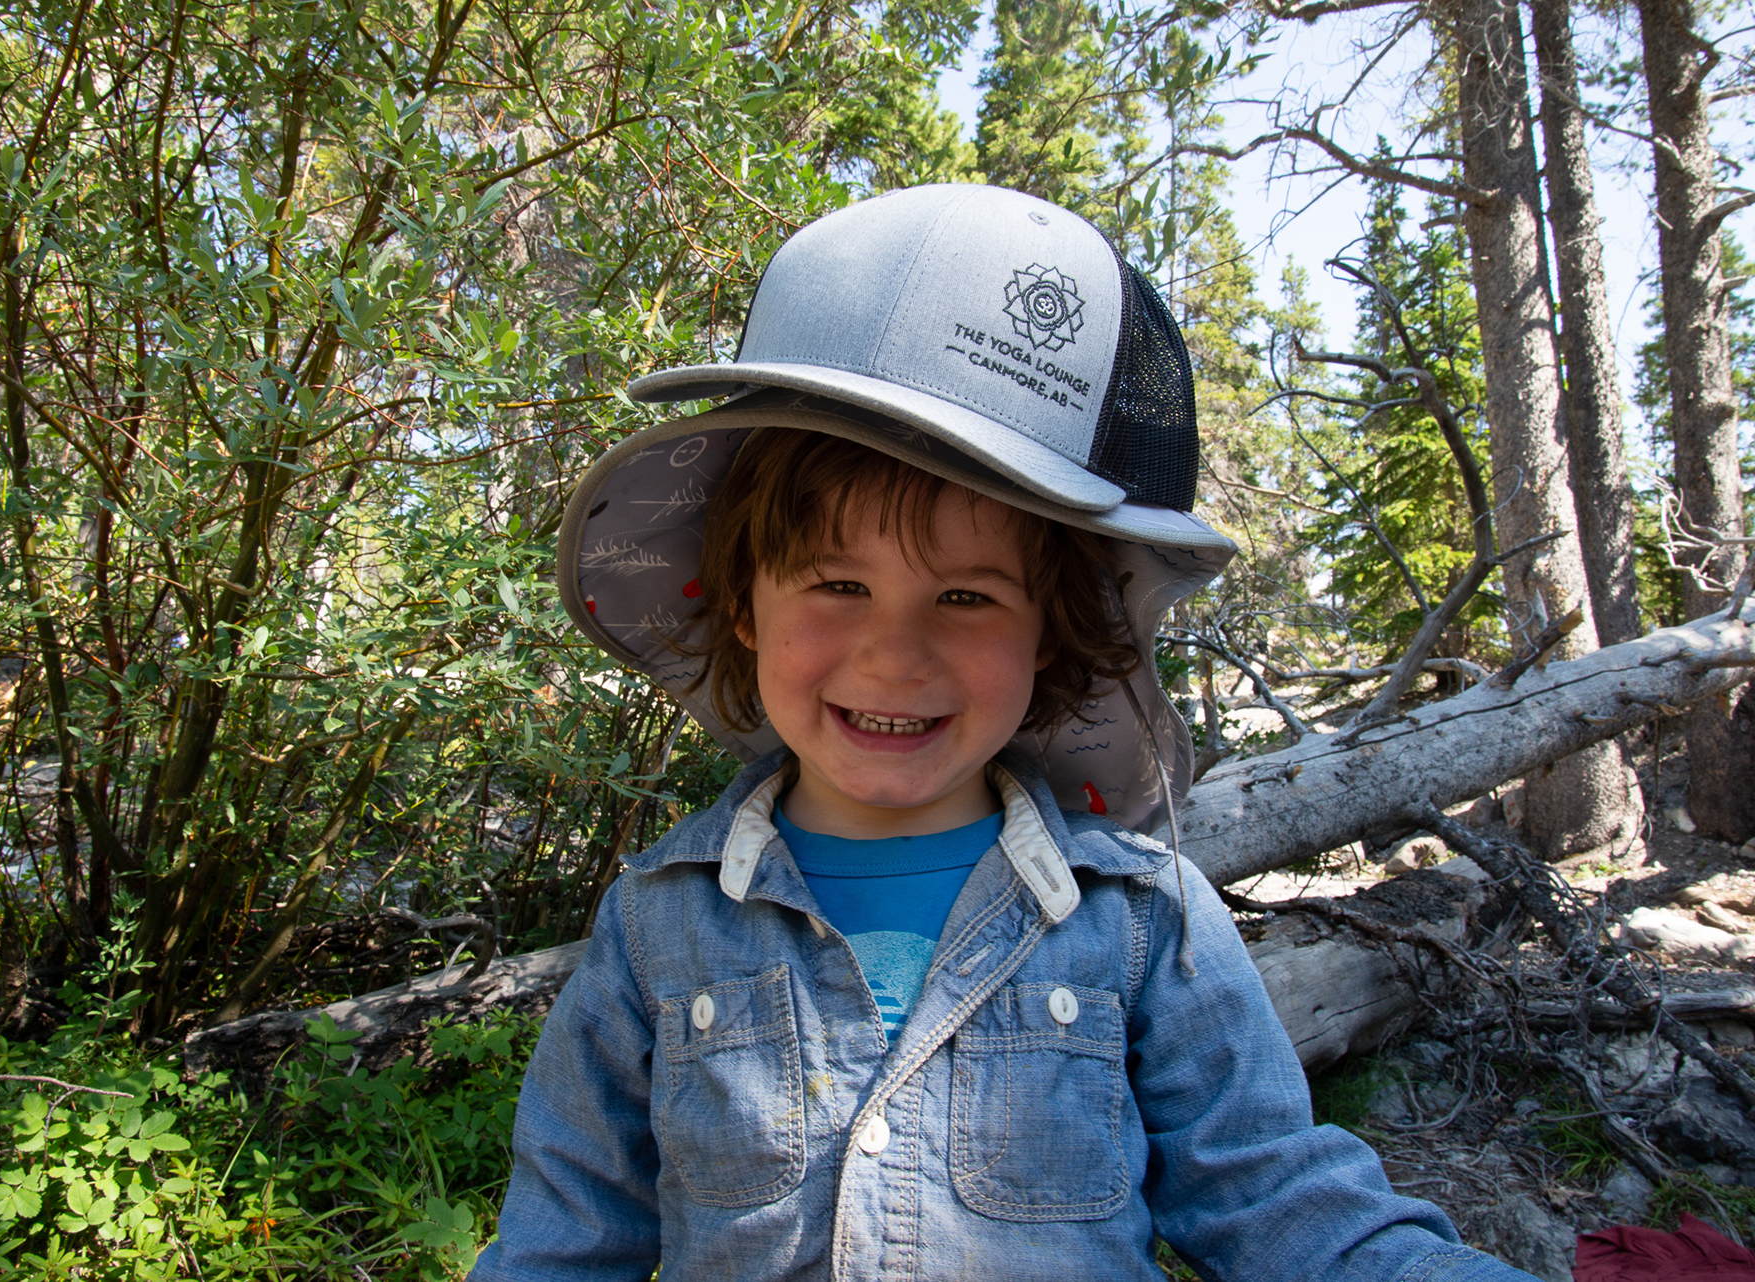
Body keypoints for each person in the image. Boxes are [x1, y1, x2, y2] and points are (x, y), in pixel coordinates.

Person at [468, 184, 1532, 1281]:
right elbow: (563, 1239)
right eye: (837, 582)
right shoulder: (656, 925)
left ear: (1051, 633)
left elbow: (1280, 1197)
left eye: (968, 598)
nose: (895, 654)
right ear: (744, 604)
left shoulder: (1142, 923)